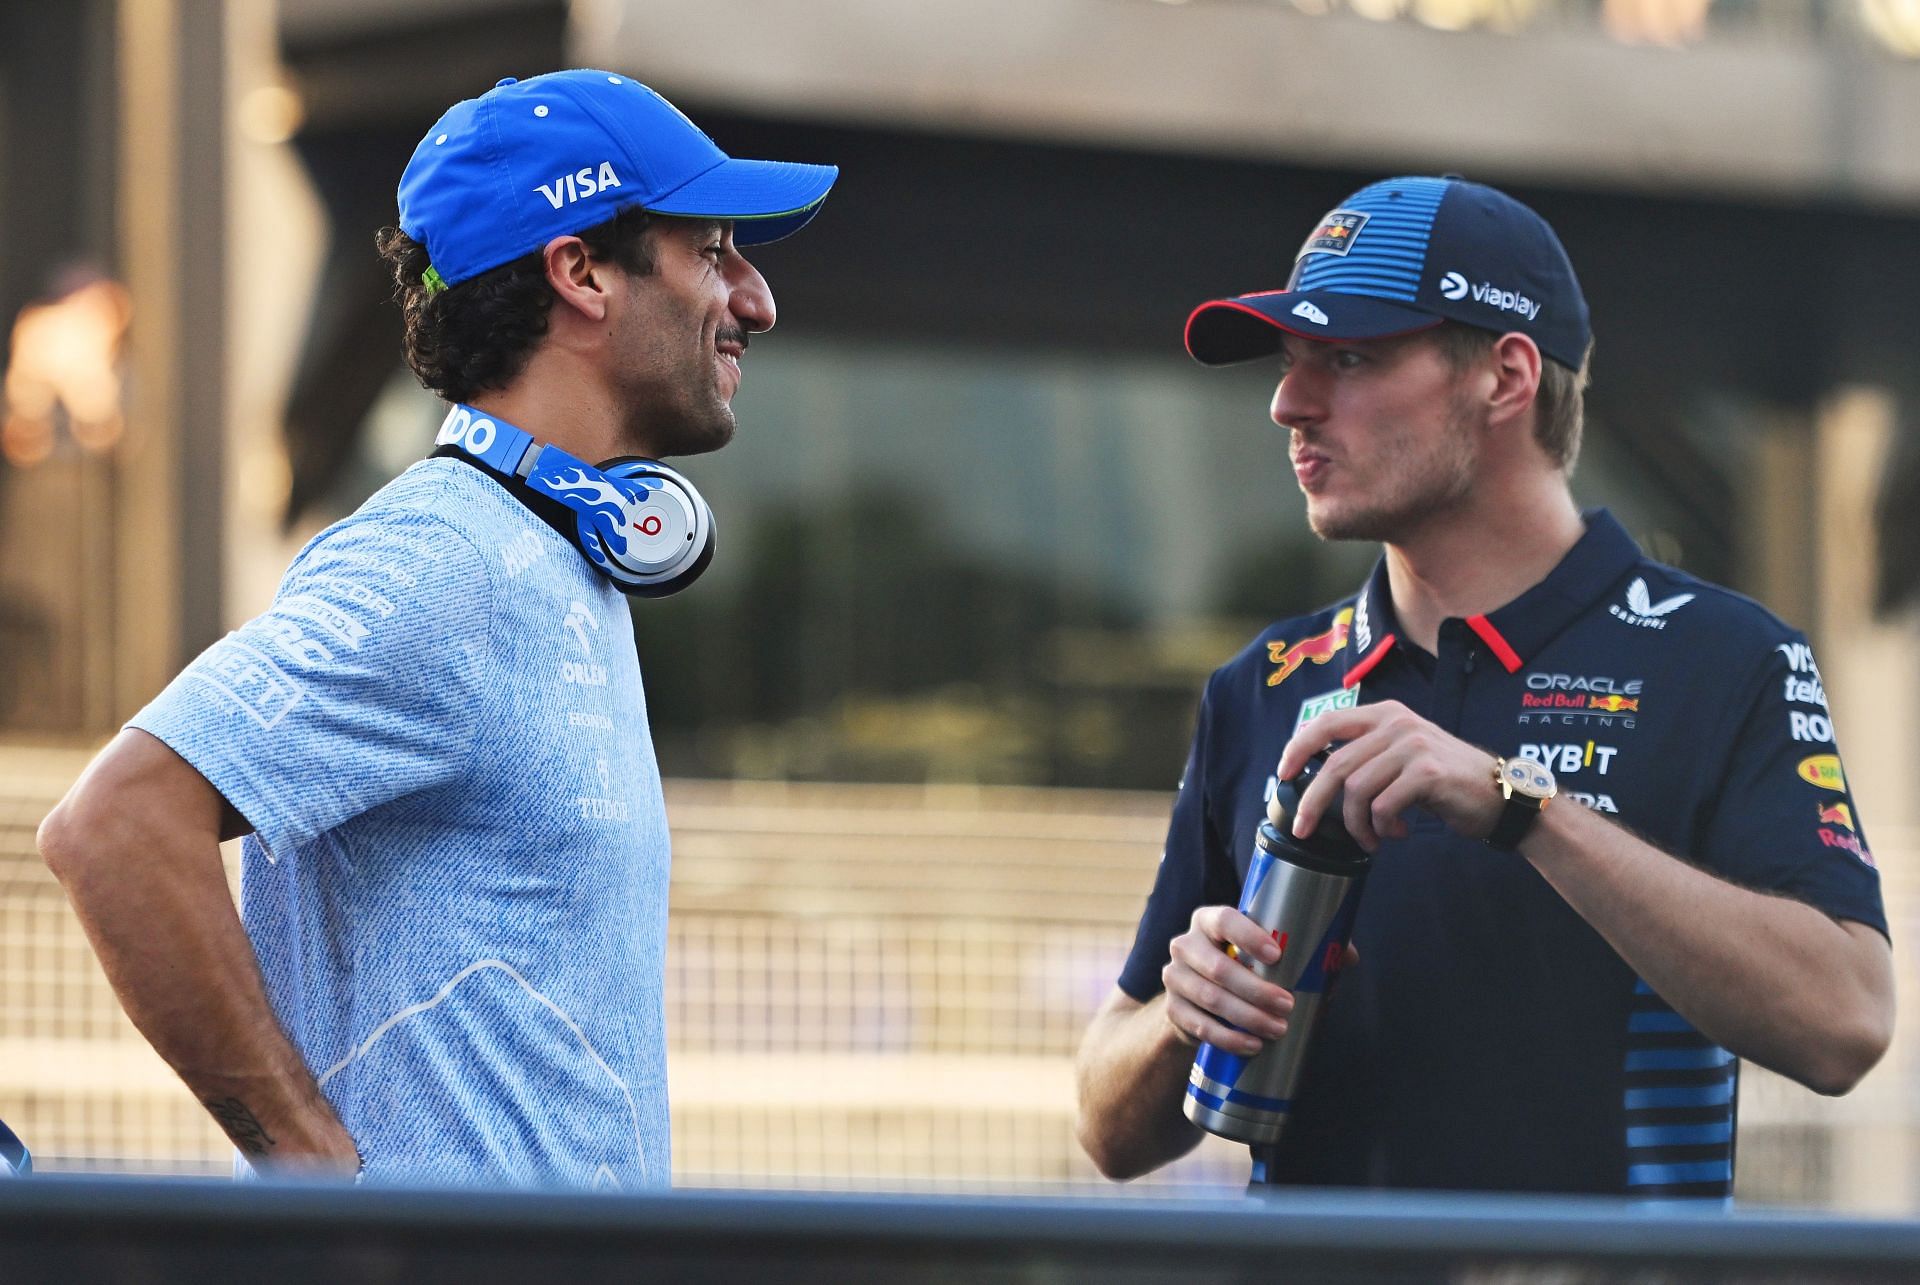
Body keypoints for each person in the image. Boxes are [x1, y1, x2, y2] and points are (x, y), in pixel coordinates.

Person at [35, 69, 837, 1188]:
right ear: (582, 271)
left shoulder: (552, 555)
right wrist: (313, 1173)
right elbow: (114, 827)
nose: (754, 300)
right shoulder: (447, 563)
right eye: (712, 250)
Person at [1074, 175, 1893, 1199]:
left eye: (1351, 357)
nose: (1290, 402)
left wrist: (1520, 806)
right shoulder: (1266, 683)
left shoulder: (1723, 659)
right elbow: (1109, 1132)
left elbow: (1847, 1023)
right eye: (1293, 361)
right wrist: (1181, 1017)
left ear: (1505, 378)